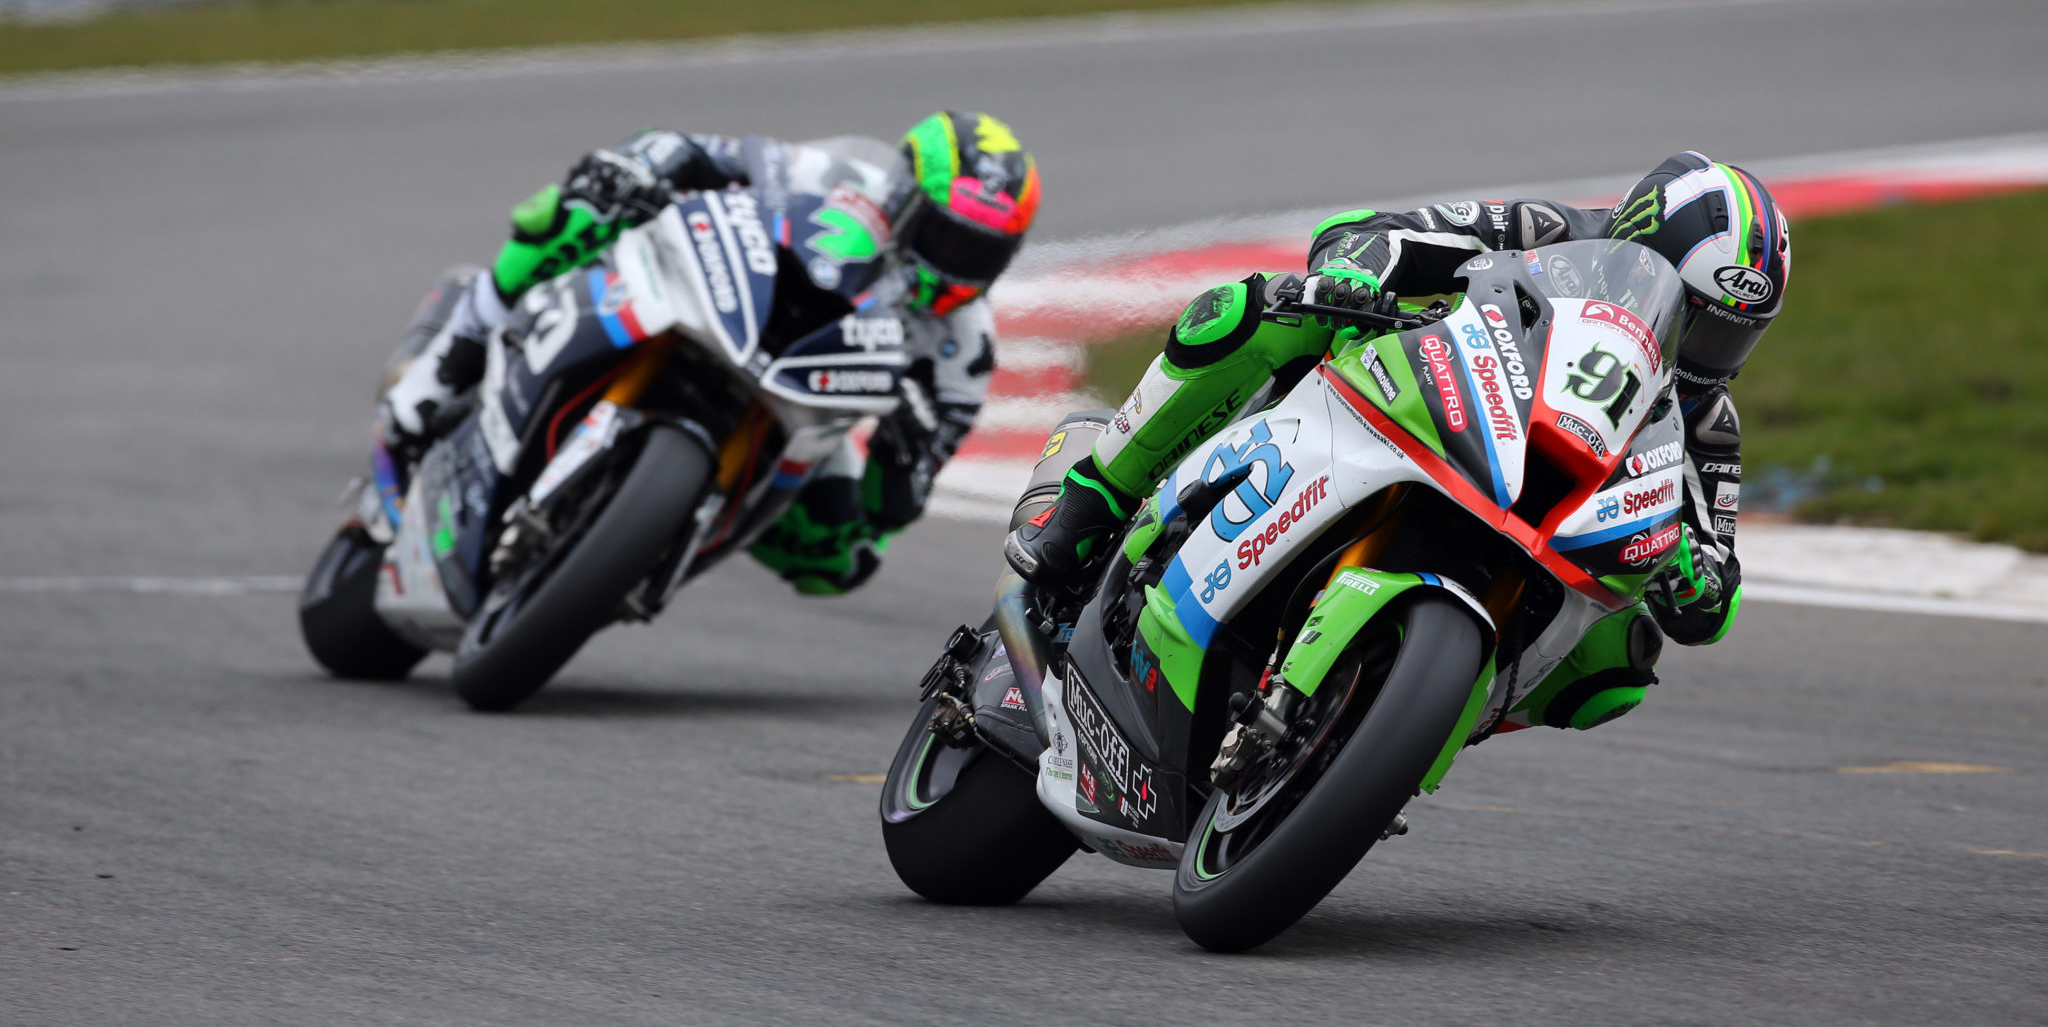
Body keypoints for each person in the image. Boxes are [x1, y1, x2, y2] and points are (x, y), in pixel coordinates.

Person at [1006, 151, 1790, 661]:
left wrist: (1699, 580)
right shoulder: (1552, 234)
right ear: (1639, 248)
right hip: (1427, 394)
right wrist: (1357, 271)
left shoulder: (1708, 427)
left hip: (1542, 529)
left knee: (1623, 659)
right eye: (1694, 318)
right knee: (1252, 309)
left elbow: (1714, 584)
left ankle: (1400, 719)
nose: (1703, 352)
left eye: (1731, 336)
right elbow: (1380, 231)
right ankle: (1093, 499)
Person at [381, 112, 1039, 595]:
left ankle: (650, 549)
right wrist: (642, 168)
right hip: (729, 308)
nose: (957, 270)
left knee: (841, 560)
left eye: (981, 255)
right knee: (568, 210)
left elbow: (899, 501)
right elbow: (697, 150)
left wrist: (906, 446)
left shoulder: (965, 347)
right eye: (946, 239)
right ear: (905, 196)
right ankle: (456, 347)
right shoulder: (838, 181)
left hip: (806, 407)